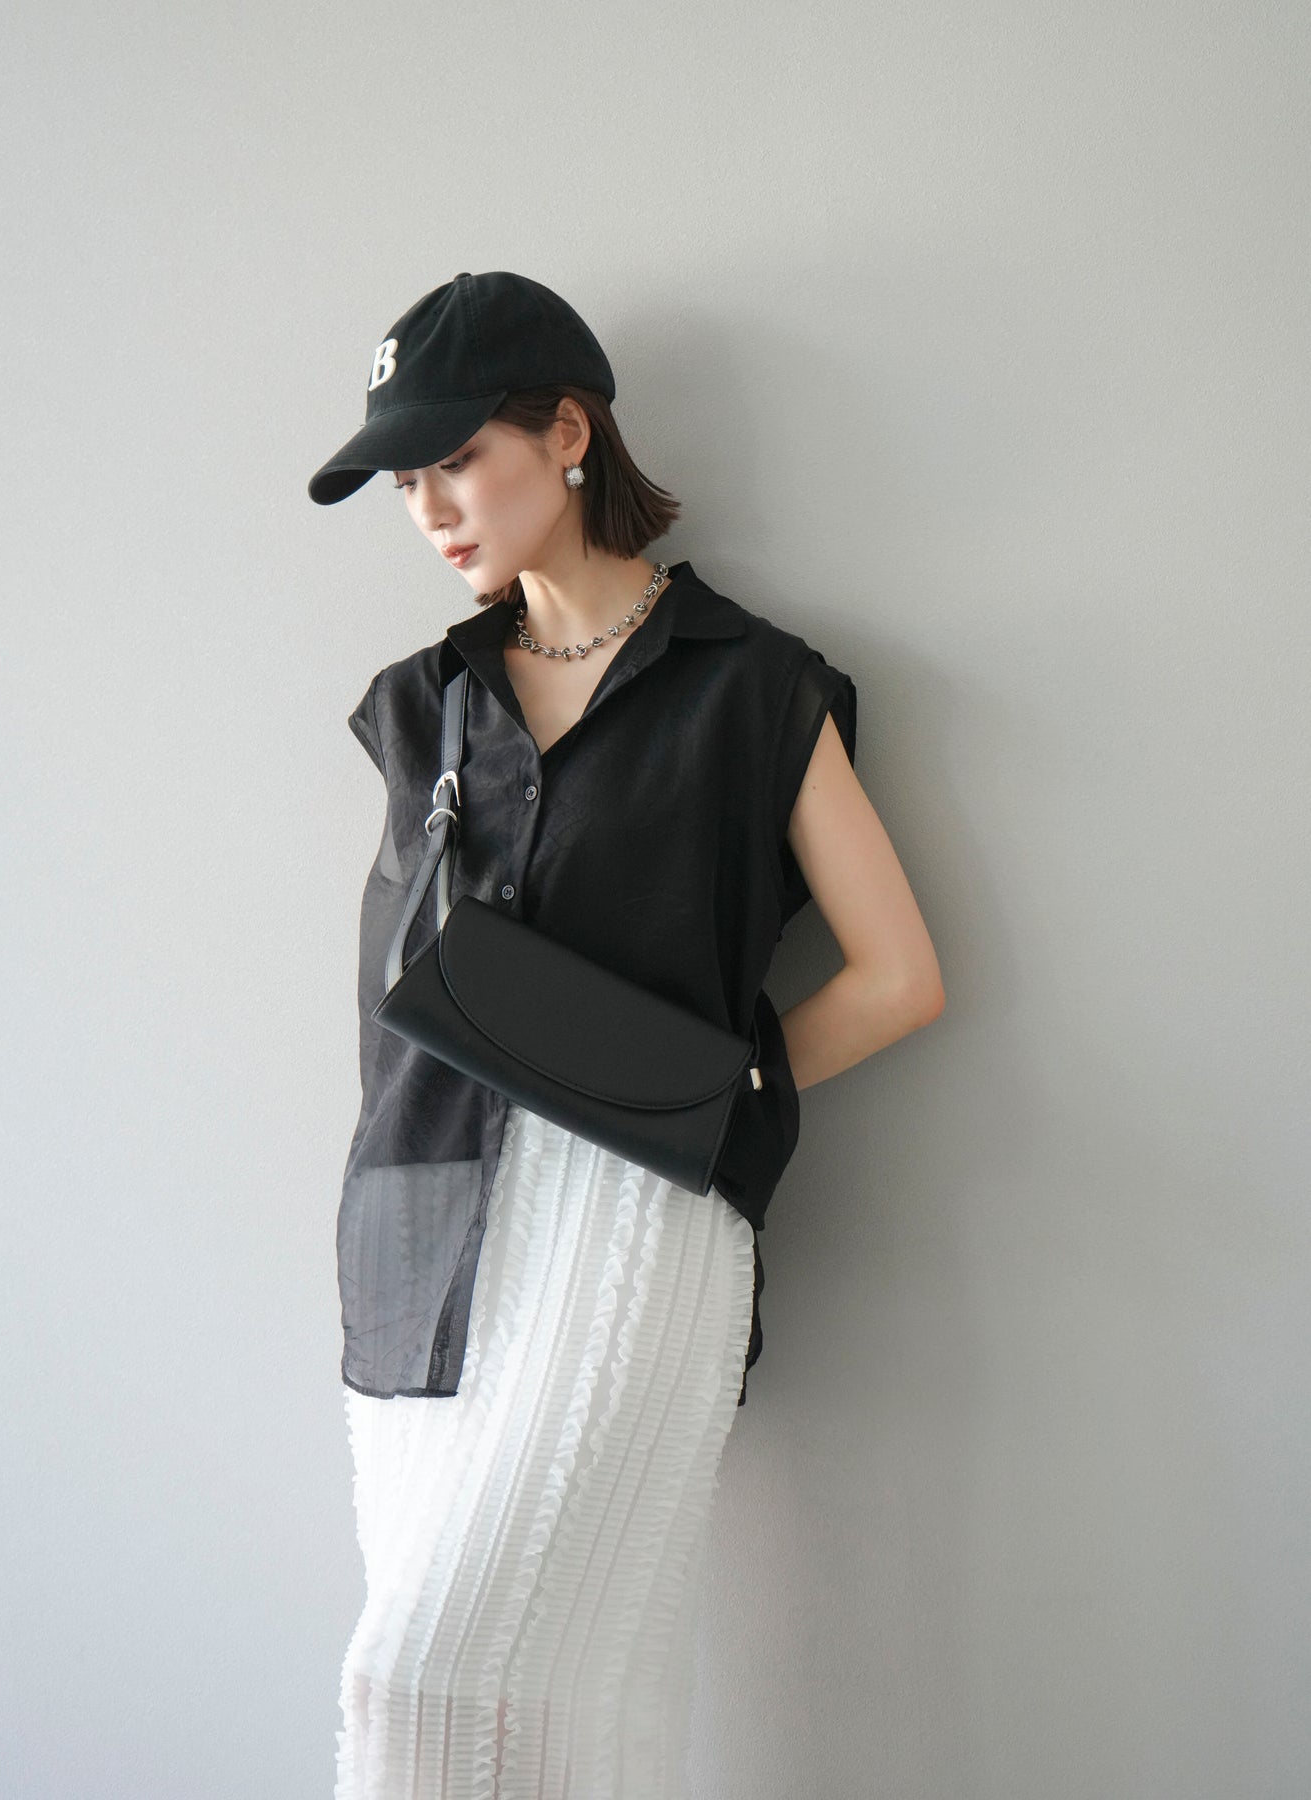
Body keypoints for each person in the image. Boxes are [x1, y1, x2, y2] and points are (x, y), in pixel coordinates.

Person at [308, 270, 945, 1800]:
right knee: (552, 1718)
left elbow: (897, 976)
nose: (429, 509)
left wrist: (700, 1097)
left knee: (418, 1689)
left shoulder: (752, 690)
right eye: (404, 483)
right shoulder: (419, 707)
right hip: (418, 1238)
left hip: (630, 1229)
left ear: (568, 433)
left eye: (456, 459)